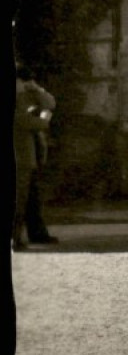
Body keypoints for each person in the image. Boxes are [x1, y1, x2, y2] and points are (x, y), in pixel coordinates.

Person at [13, 67, 58, 249]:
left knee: (33, 198)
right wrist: (44, 119)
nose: (24, 85)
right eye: (21, 82)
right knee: (18, 200)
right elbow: (28, 121)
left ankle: (37, 233)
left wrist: (38, 90)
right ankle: (14, 239)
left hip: (32, 156)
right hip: (20, 158)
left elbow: (51, 103)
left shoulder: (24, 96)